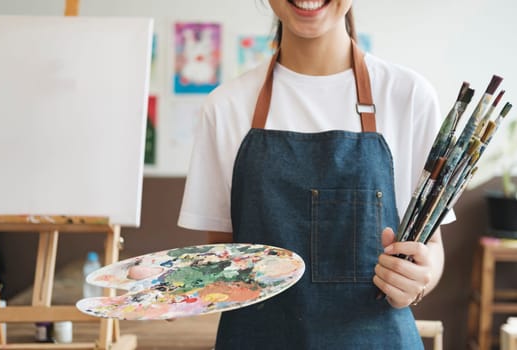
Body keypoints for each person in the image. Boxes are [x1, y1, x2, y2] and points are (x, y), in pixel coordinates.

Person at [178, 0, 452, 348]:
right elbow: (221, 253)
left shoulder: (409, 96)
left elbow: (432, 244)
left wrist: (420, 279)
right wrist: (178, 289)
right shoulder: (224, 107)